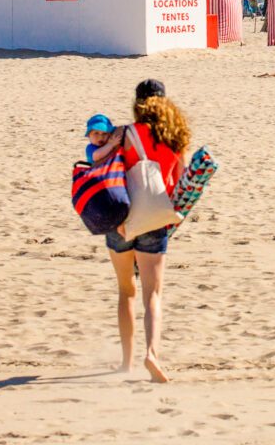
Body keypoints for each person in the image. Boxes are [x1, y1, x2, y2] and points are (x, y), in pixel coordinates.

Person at [92, 78, 190, 383]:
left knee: (126, 292)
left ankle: (125, 363)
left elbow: (103, 170)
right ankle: (151, 354)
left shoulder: (125, 133)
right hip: (155, 219)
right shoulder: (175, 136)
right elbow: (181, 181)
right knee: (153, 294)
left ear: (137, 103)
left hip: (121, 219)